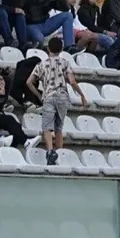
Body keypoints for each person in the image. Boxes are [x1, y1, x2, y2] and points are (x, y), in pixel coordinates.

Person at [33, 37, 78, 166]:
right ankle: (59, 153)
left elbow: (29, 81)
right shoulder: (65, 63)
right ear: (62, 49)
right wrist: (81, 95)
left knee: (47, 127)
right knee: (59, 127)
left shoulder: (42, 64)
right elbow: (72, 81)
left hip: (48, 96)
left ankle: (50, 151)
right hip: (62, 96)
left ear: (48, 49)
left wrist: (39, 94)